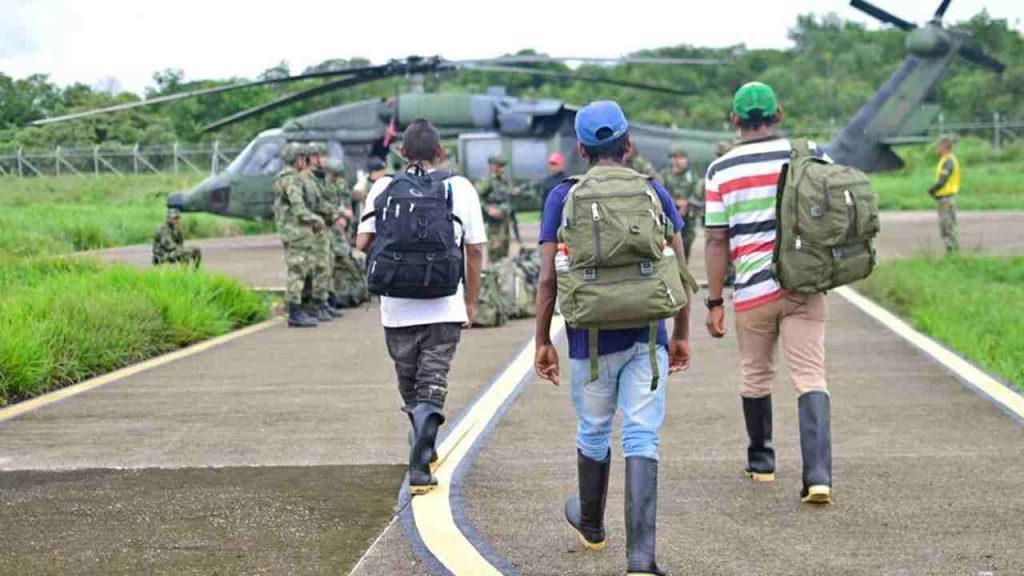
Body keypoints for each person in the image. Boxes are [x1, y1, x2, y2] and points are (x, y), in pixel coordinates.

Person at [534, 100, 692, 576]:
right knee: (642, 436)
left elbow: (546, 279)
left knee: (594, 431)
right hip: (649, 335)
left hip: (588, 340)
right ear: (629, 145)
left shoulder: (562, 196)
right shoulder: (654, 192)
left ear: (581, 149)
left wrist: (543, 340)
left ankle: (592, 524)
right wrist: (681, 335)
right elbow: (680, 273)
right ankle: (641, 559)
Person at [703, 81, 834, 505]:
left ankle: (761, 462)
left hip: (754, 292)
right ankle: (818, 476)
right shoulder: (810, 152)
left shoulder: (720, 169)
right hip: (804, 283)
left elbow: (716, 241)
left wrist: (715, 301)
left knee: (756, 372)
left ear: (735, 120)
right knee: (810, 376)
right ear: (778, 115)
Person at [356, 119, 486, 495]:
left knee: (410, 386)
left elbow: (363, 242)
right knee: (434, 380)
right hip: (444, 304)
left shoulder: (383, 186)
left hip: (396, 307)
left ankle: (421, 449)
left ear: (402, 153)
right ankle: (421, 460)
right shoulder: (459, 188)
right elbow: (475, 250)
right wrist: (470, 302)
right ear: (441, 153)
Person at [274, 143, 330, 328]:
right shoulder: (291, 179)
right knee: (297, 272)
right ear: (297, 159)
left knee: (304, 270)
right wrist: (316, 220)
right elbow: (299, 208)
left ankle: (301, 309)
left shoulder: (287, 177)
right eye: (302, 158)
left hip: (296, 232)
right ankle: (295, 312)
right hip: (296, 232)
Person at [475, 155, 519, 260]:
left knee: (504, 252)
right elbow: (476, 196)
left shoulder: (504, 180)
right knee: (494, 254)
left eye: (503, 166)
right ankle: (493, 275)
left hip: (505, 222)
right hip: (494, 225)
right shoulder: (487, 181)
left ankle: (502, 275)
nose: (502, 169)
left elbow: (505, 195)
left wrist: (514, 192)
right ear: (492, 166)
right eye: (500, 166)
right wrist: (488, 209)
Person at [660, 144, 698, 261]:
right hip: (669, 218)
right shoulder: (665, 175)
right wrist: (676, 203)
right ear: (673, 159)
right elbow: (661, 194)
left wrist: (687, 203)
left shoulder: (691, 176)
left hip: (687, 220)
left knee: (685, 248)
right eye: (678, 157)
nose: (682, 160)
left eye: (683, 157)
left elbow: (697, 194)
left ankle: (683, 274)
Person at [928, 135, 961, 255]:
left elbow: (942, 180)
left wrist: (931, 190)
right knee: (949, 225)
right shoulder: (948, 159)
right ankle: (953, 251)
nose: (937, 148)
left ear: (944, 147)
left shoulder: (948, 161)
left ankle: (952, 251)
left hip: (945, 199)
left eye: (939, 146)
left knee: (947, 226)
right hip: (947, 198)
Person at [540, 151, 568, 220]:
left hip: (564, 215)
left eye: (555, 164)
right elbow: (544, 201)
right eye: (552, 164)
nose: (553, 167)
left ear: (562, 165)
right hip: (549, 215)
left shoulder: (568, 180)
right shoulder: (547, 181)